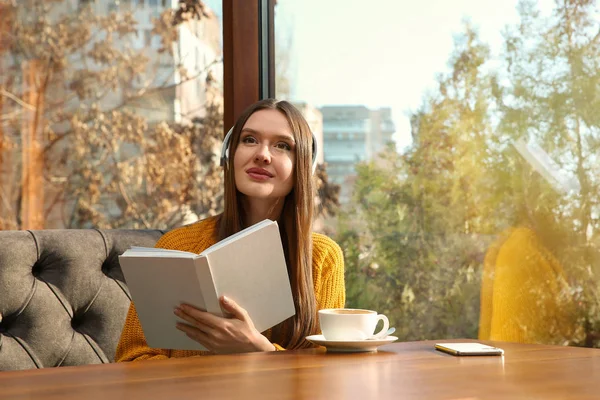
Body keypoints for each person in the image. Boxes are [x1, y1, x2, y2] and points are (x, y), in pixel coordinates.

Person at [116, 99, 346, 361]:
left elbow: (324, 372)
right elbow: (132, 359)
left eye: (282, 146)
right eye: (249, 140)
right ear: (229, 154)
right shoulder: (178, 244)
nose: (262, 154)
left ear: (303, 165)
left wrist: (258, 350)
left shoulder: (322, 258)